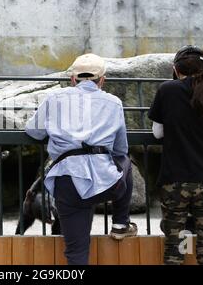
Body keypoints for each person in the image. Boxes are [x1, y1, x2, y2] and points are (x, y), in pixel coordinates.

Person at [25, 53, 137, 265]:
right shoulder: (114, 103)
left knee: (76, 252)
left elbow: (33, 131)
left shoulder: (54, 98)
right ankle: (121, 223)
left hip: (67, 181)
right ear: (102, 80)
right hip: (106, 183)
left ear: (73, 79)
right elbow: (120, 148)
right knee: (126, 162)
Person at [148, 45, 203, 265]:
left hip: (174, 179)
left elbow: (157, 133)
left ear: (175, 69)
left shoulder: (167, 90)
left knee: (174, 247)